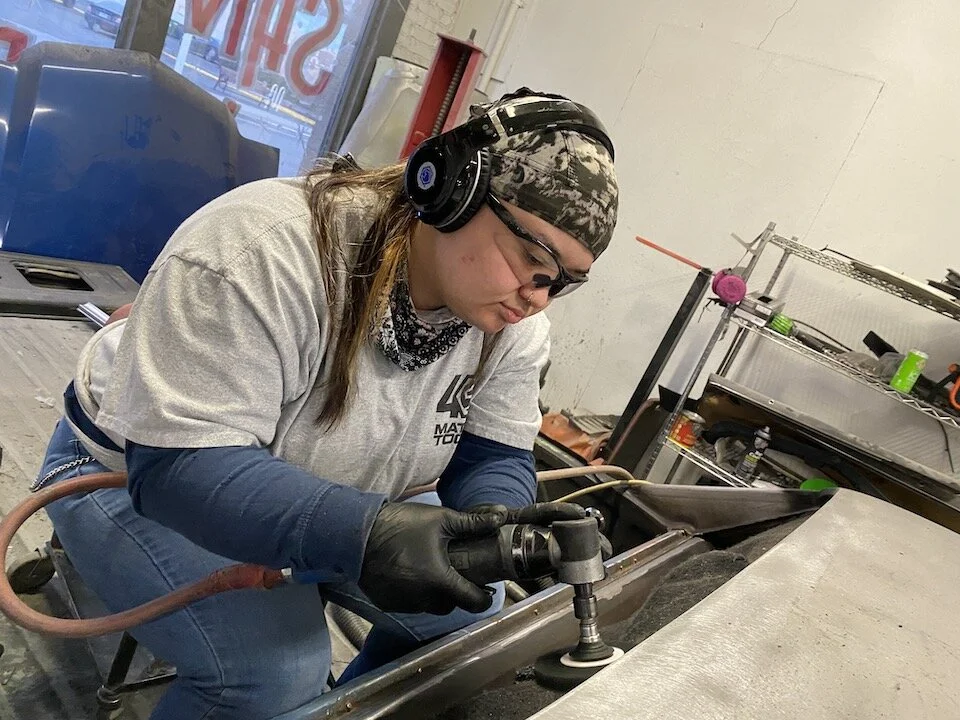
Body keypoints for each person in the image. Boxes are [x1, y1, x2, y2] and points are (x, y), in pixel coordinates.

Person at [36, 88, 619, 719]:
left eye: (563, 283)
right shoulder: (265, 248)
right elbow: (180, 470)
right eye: (532, 261)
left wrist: (497, 527)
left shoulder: (510, 321)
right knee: (273, 673)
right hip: (127, 474)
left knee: (468, 615)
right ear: (452, 190)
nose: (539, 298)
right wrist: (363, 534)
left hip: (334, 489)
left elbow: (490, 449)